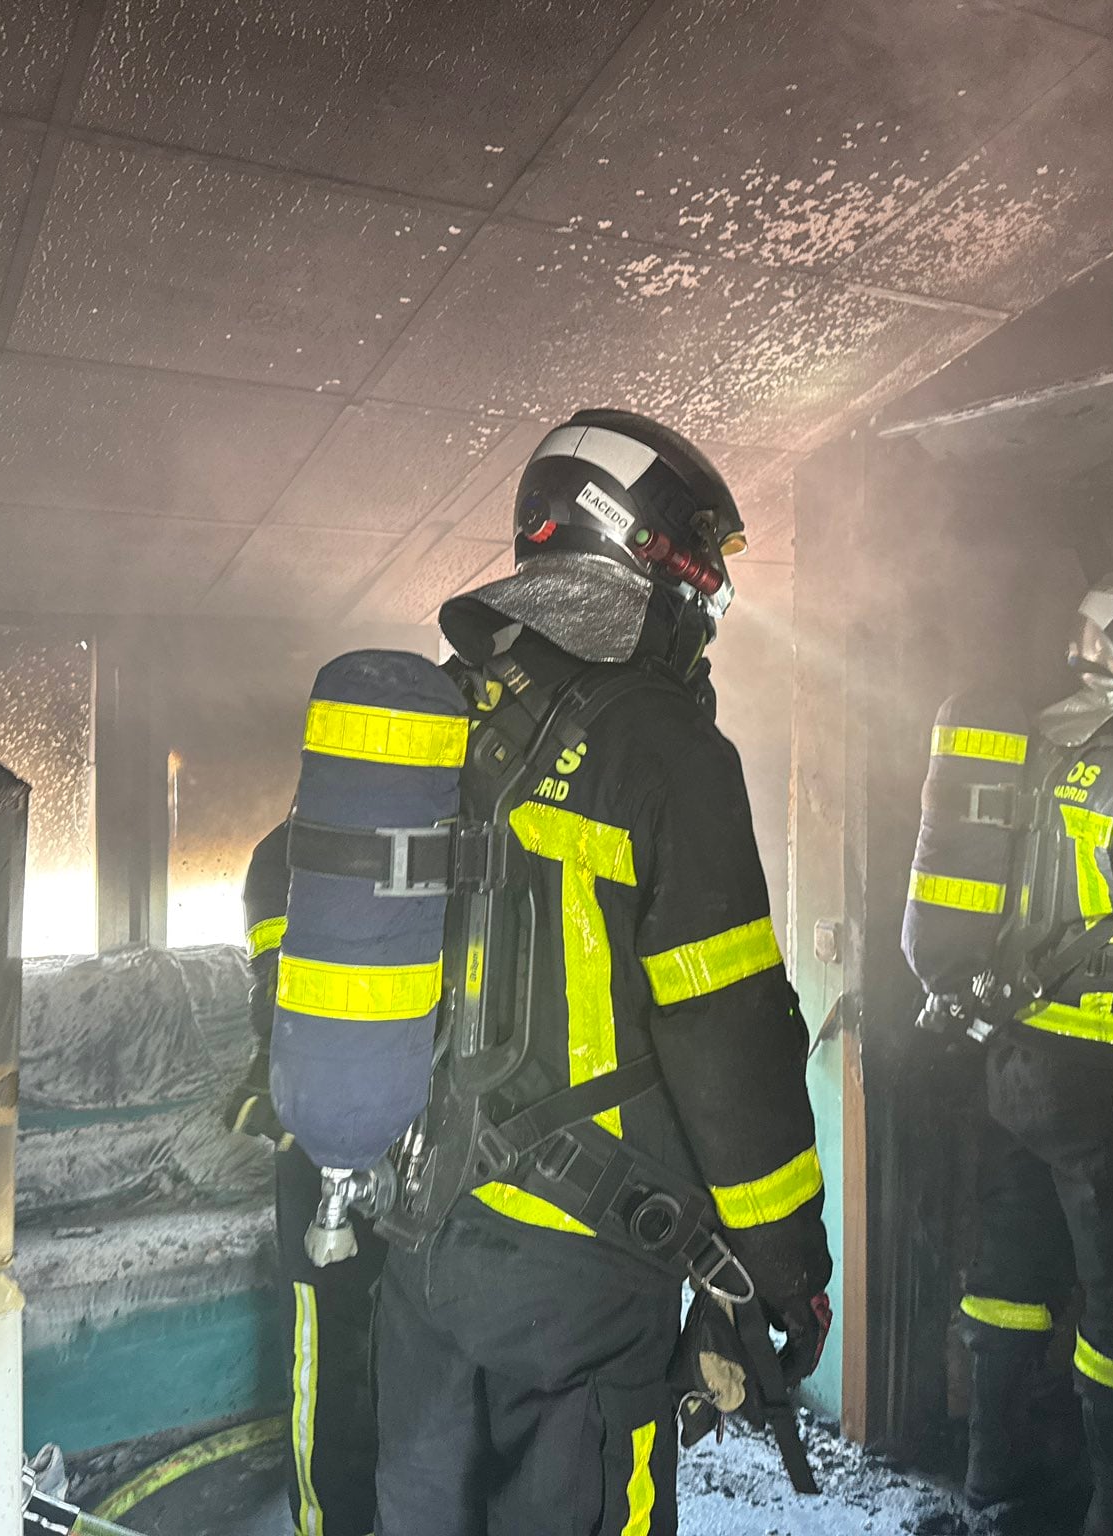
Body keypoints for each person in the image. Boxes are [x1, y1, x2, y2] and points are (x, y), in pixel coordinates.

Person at [356, 409, 834, 1536]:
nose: (706, 593)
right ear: (636, 552)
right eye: (696, 561)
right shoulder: (667, 747)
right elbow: (731, 1038)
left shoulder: (441, 710)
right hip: (577, 1288)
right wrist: (784, 1265)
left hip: (424, 1238)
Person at [902, 581, 1113, 1536]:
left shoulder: (1029, 759)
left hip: (1005, 1060)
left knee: (1007, 1273)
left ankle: (994, 1480)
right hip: (1088, 1084)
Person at [227, 823, 384, 1536]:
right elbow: (282, 1003)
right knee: (330, 1372)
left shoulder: (450, 840)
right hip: (325, 1158)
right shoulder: (281, 859)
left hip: (422, 1154)